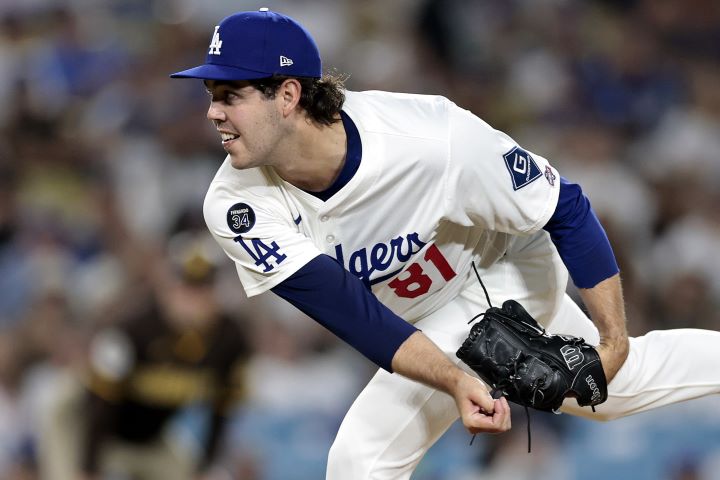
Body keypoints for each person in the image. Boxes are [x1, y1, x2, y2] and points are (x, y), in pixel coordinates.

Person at [170, 9, 720, 479]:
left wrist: (612, 338)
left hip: (504, 271)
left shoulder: (430, 138)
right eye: (211, 95)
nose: (214, 111)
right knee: (616, 394)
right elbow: (353, 314)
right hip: (416, 316)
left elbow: (565, 207)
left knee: (361, 457)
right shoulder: (235, 206)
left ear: (288, 94)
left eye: (231, 95)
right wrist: (456, 380)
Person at [39, 231, 250, 480]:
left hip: (149, 436)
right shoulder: (131, 329)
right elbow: (101, 402)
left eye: (201, 289)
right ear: (166, 288)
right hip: (85, 423)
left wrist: (205, 468)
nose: (192, 301)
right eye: (185, 288)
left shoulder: (230, 340)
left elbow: (222, 409)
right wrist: (88, 469)